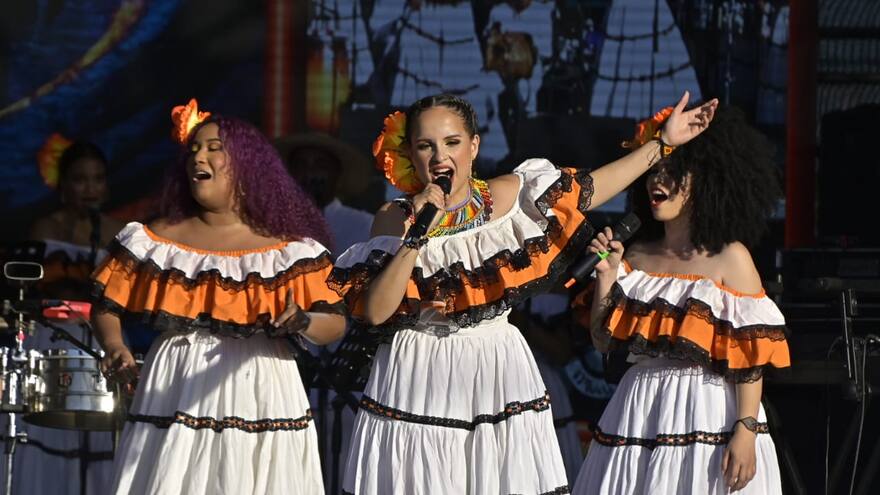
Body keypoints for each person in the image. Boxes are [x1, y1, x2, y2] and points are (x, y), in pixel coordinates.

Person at [328, 91, 717, 494]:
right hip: (419, 373)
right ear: (411, 153)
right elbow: (375, 311)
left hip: (494, 367)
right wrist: (418, 232)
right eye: (426, 145)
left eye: (452, 142)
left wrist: (662, 144)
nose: (440, 156)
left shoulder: (512, 195)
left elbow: (592, 187)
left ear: (474, 146)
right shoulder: (395, 217)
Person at [90, 99, 346, 494]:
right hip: (177, 381)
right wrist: (114, 345)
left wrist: (304, 321)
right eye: (194, 149)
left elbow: (336, 322)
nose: (198, 156)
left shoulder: (290, 251)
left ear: (248, 165)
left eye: (214, 148)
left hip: (260, 382)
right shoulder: (156, 239)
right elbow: (108, 302)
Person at [570, 106, 790, 494]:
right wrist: (606, 277)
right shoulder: (635, 255)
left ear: (706, 180)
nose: (658, 180)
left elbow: (750, 356)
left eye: (673, 171)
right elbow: (603, 342)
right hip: (639, 410)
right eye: (654, 171)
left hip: (708, 410)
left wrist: (746, 428)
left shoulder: (730, 257)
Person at [30, 137, 126, 299]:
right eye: (80, 180)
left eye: (98, 179)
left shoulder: (122, 232)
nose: (90, 189)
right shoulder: (45, 228)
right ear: (63, 184)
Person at [274, 132, 375, 255]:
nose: (309, 173)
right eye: (300, 165)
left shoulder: (365, 226)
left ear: (337, 173)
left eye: (321, 165)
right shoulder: (274, 225)